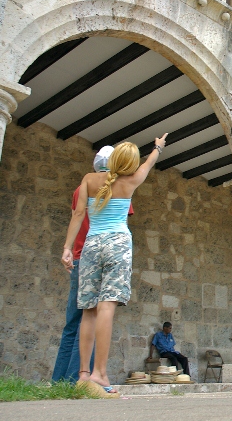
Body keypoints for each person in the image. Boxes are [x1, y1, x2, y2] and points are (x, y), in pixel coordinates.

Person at [61, 134, 167, 398]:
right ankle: (101, 374)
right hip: (118, 245)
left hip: (91, 246)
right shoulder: (131, 181)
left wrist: (66, 248)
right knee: (106, 306)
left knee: (88, 309)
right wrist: (157, 147)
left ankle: (84, 375)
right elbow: (149, 163)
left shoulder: (88, 179)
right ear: (126, 163)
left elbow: (77, 214)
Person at [52, 147, 131, 383]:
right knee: (95, 315)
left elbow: (77, 216)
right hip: (99, 254)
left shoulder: (82, 187)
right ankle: (84, 378)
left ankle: (60, 381)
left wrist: (67, 248)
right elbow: (120, 219)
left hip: (79, 255)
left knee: (74, 321)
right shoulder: (118, 186)